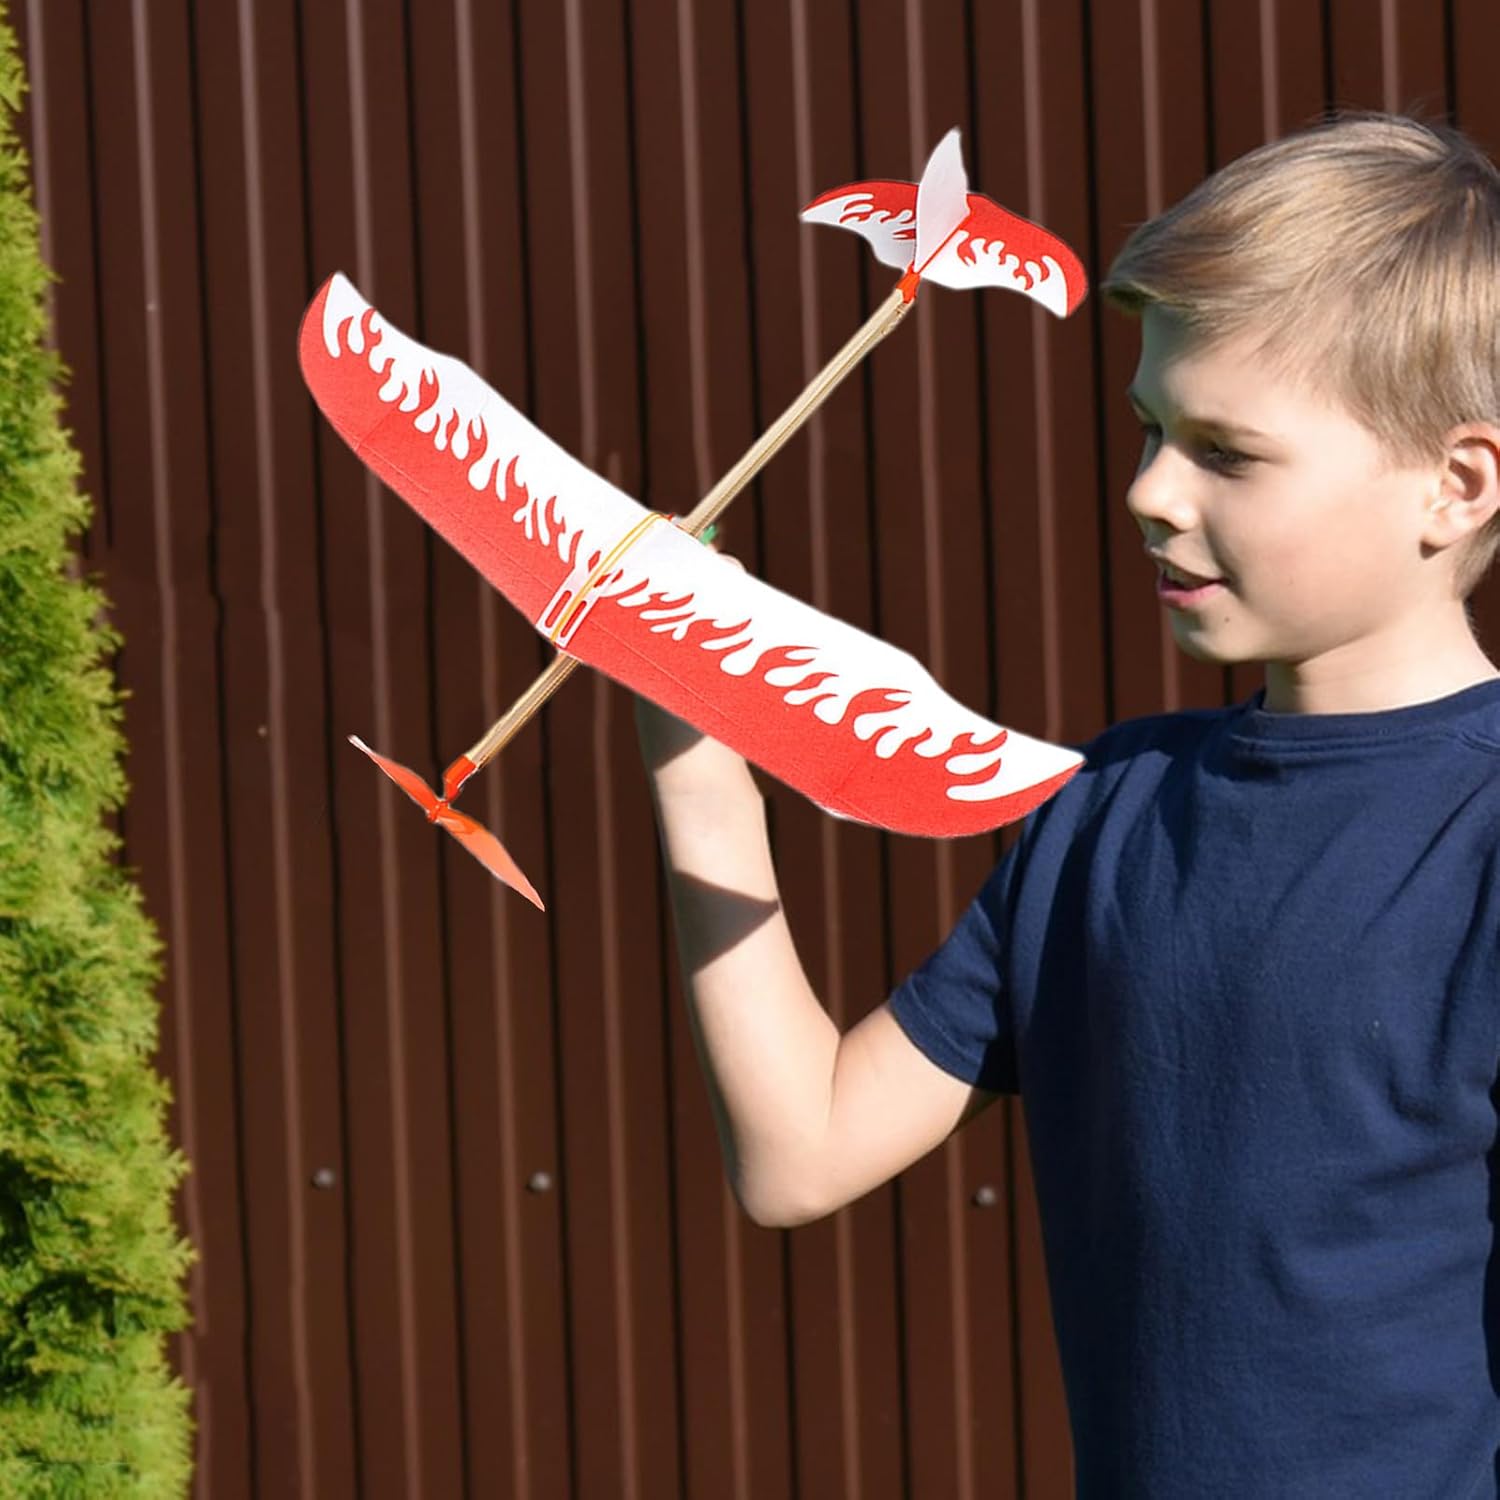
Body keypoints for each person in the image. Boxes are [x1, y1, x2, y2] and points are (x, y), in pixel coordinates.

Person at [633, 110, 1500, 1496]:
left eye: (1226, 451)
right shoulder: (1104, 815)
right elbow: (801, 1153)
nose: (1150, 491)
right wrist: (693, 735)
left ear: (1455, 487)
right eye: (1151, 430)